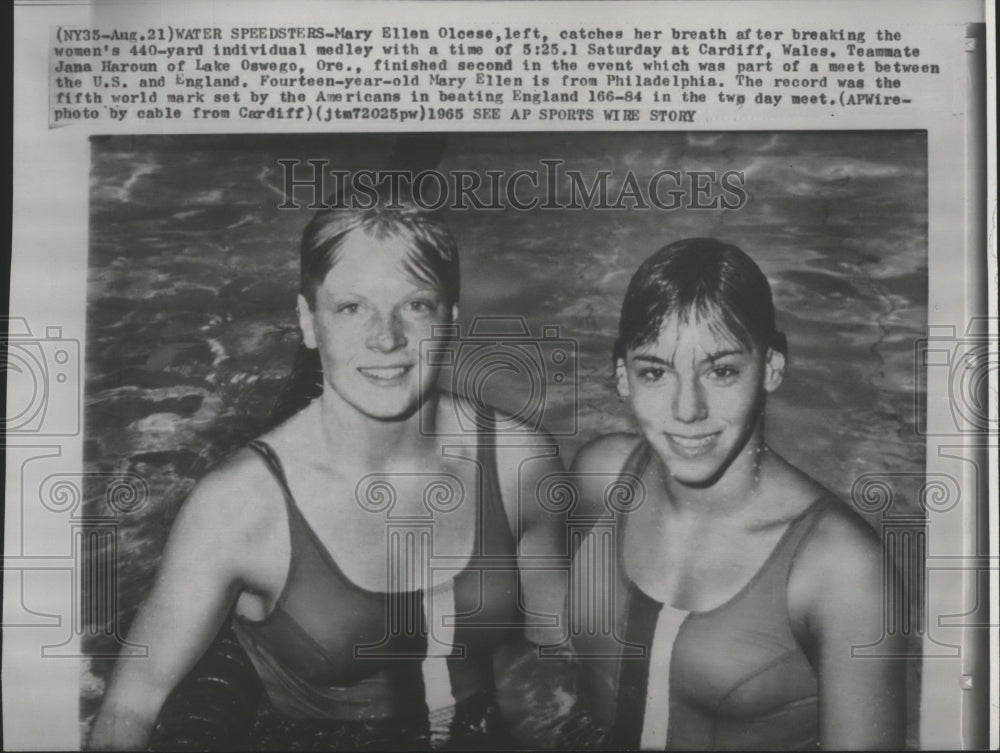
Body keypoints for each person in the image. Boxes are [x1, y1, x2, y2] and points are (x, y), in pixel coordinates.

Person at [89, 186, 568, 750]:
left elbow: (555, 648)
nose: (385, 337)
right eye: (350, 307)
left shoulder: (519, 460)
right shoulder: (239, 504)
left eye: (415, 305)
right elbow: (130, 706)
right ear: (308, 321)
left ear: (451, 318)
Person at [568, 238, 906, 750]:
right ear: (622, 377)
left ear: (770, 367)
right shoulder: (602, 479)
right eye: (655, 372)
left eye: (721, 371)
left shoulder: (840, 570)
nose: (687, 410)